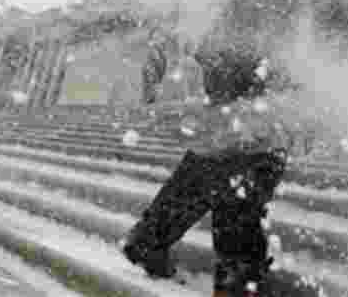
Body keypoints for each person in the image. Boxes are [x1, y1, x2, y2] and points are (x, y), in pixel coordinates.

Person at [122, 47, 309, 297]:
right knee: (235, 208)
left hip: (229, 130)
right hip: (244, 133)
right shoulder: (247, 45)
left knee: (211, 184)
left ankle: (150, 242)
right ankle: (237, 284)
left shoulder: (226, 42)